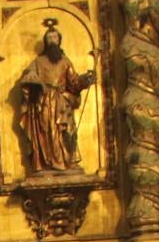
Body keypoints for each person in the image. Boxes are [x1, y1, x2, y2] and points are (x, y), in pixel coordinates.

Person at [14, 19, 98, 174]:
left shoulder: (65, 62)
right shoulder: (38, 62)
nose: (52, 40)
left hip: (61, 103)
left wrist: (85, 80)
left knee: (65, 132)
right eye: (49, 38)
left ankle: (67, 161)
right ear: (46, 41)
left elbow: (73, 82)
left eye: (55, 38)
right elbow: (28, 75)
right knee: (46, 132)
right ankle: (46, 163)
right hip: (44, 102)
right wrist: (33, 80)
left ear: (59, 41)